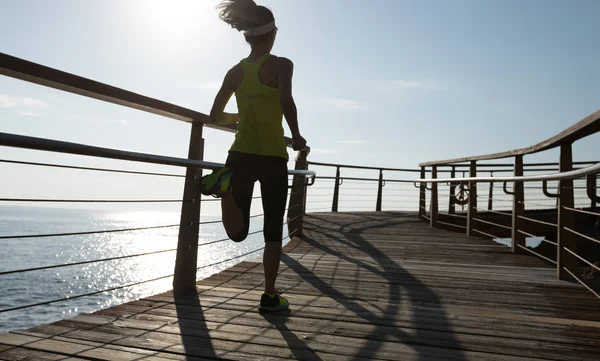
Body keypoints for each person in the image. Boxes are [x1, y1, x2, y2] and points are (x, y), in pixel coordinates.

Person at [198, 0, 307, 312]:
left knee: (238, 232)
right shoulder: (282, 65)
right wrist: (297, 137)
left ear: (247, 36)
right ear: (272, 35)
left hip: (240, 155)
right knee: (273, 229)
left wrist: (242, 118)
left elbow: (214, 115)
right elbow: (286, 101)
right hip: (273, 155)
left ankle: (225, 191)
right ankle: (269, 295)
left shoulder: (234, 72)